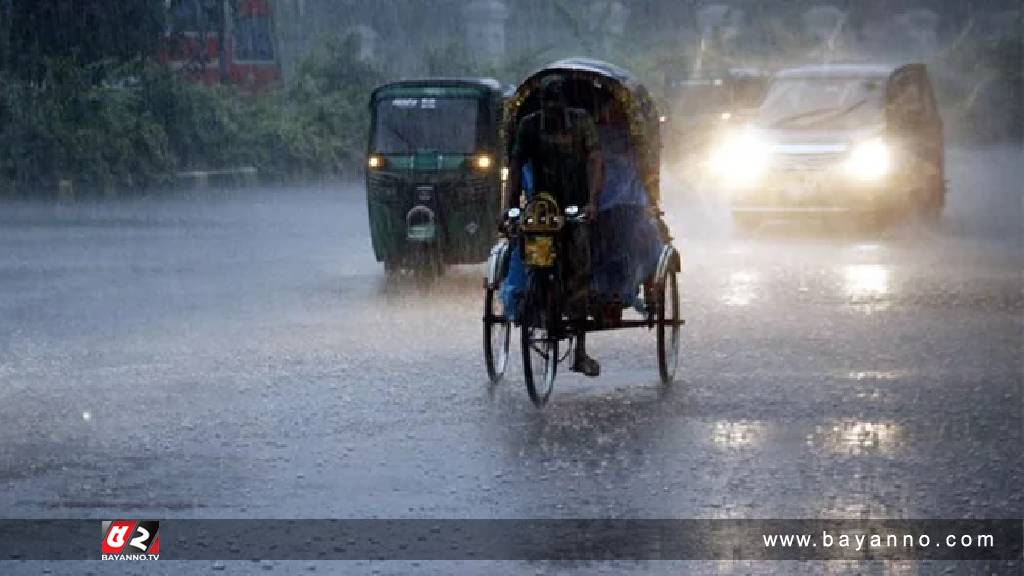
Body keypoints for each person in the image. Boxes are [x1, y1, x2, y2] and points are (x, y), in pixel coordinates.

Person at [507, 76, 604, 377]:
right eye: (548, 106)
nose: (554, 112)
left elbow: (595, 160)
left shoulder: (581, 122)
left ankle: (580, 350)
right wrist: (508, 208)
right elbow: (515, 166)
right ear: (542, 106)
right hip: (543, 206)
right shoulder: (529, 127)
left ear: (565, 104)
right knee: (526, 248)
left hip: (575, 205)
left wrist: (591, 201)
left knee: (579, 264)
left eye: (558, 105)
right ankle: (533, 297)